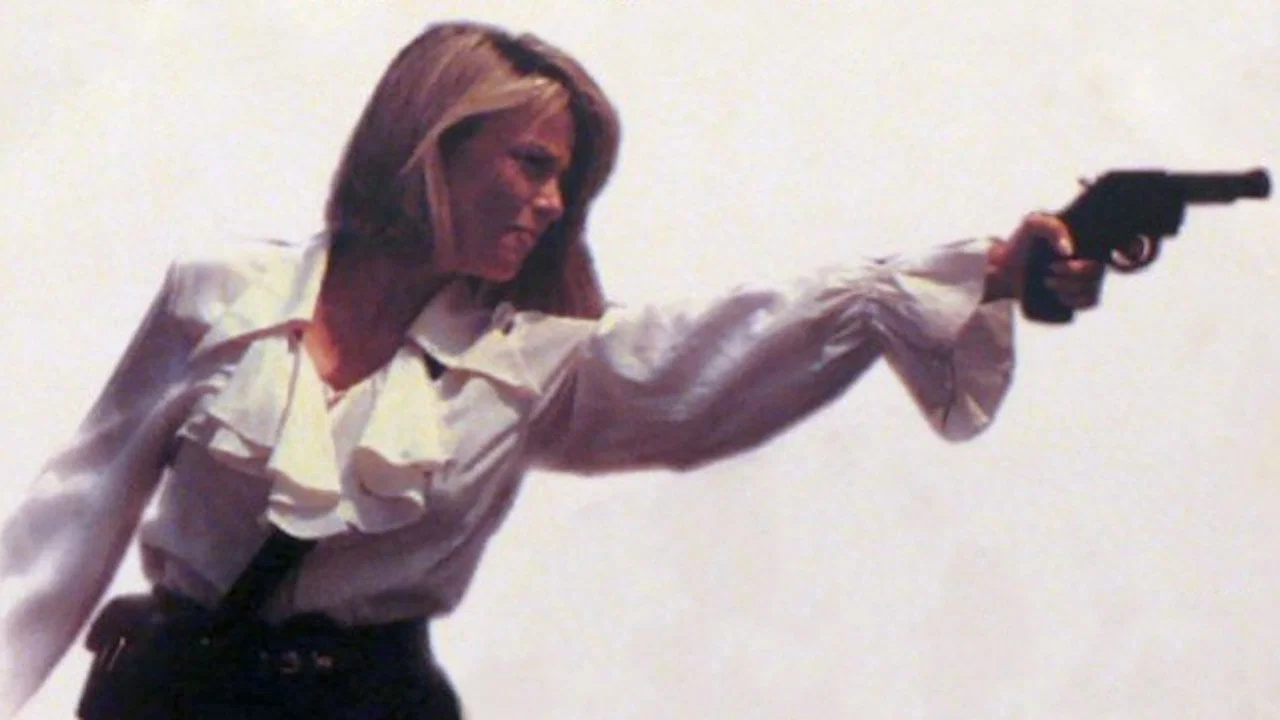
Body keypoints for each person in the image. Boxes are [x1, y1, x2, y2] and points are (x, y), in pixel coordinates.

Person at [0, 20, 1104, 720]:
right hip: (172, 697)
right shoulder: (219, 296)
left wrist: (990, 270)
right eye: (529, 163)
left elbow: (739, 339)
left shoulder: (536, 361)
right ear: (430, 143)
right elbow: (71, 516)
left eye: (563, 184)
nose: (548, 204)